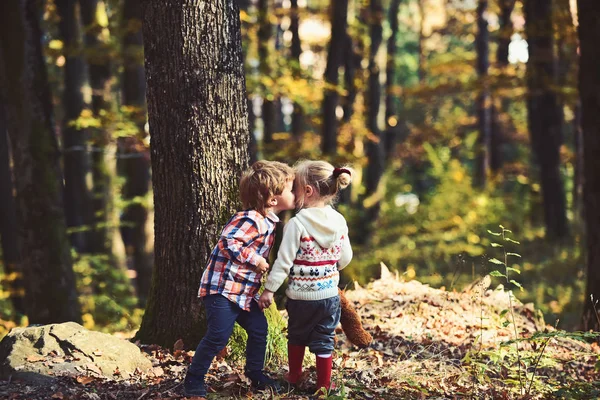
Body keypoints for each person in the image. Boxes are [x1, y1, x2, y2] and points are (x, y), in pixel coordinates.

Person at [183, 160, 295, 398]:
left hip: (243, 294)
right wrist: (256, 260)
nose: (294, 193)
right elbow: (228, 241)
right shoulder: (251, 219)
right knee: (217, 336)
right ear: (273, 200)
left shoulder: (270, 222)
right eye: (290, 189)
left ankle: (255, 373)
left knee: (259, 328)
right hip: (223, 290)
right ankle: (193, 379)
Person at [257, 160, 353, 395]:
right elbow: (345, 258)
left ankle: (295, 374)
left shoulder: (296, 225)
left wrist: (269, 290)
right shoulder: (339, 222)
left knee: (297, 335)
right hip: (329, 296)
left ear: (307, 191)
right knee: (324, 339)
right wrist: (330, 266)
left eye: (296, 188)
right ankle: (324, 385)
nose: (293, 193)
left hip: (301, 297)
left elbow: (283, 262)